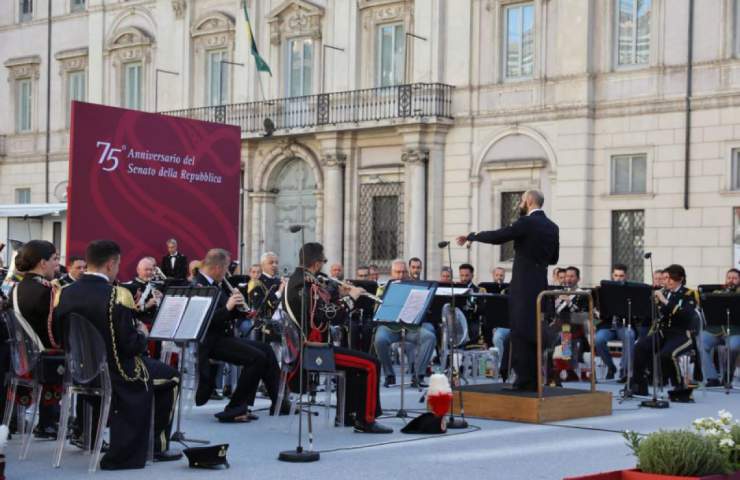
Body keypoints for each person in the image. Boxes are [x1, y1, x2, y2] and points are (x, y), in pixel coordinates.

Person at [54, 240, 181, 469]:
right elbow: (131, 346)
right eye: (118, 264)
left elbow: (57, 334)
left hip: (80, 372)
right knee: (172, 376)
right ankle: (157, 446)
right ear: (111, 264)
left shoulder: (63, 293)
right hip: (118, 374)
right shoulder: (118, 295)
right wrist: (142, 334)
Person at [457, 190, 559, 391]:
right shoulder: (552, 227)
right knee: (533, 331)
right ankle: (533, 379)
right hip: (540, 283)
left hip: (523, 284)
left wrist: (473, 236)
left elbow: (499, 236)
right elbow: (554, 258)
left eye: (521, 200)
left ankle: (523, 380)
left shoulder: (526, 222)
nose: (519, 204)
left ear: (529, 201)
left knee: (520, 331)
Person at [285, 242, 391, 433]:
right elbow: (329, 315)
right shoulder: (304, 284)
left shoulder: (298, 279)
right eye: (323, 262)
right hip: (313, 351)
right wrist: (353, 298)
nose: (323, 268)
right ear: (316, 264)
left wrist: (340, 294)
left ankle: (349, 415)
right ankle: (366, 420)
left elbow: (321, 308)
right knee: (371, 364)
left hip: (312, 347)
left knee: (357, 364)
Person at [193, 249, 284, 421]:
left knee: (265, 349)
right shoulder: (199, 285)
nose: (227, 272)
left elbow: (227, 315)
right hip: (210, 341)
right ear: (218, 267)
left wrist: (241, 310)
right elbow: (205, 321)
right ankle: (235, 408)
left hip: (223, 337)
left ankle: (279, 401)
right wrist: (228, 306)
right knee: (256, 358)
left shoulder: (216, 283)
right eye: (226, 268)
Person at [9, 240, 62, 439]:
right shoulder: (48, 290)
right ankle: (55, 422)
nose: (57, 264)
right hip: (44, 360)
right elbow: (52, 336)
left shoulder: (15, 288)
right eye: (55, 259)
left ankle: (16, 418)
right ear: (42, 263)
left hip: (20, 356)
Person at [630, 264, 697, 400]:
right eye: (665, 278)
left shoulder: (689, 294)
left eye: (669, 278)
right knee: (639, 347)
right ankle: (639, 384)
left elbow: (685, 314)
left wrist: (664, 301)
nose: (666, 281)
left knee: (667, 355)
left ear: (680, 279)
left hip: (682, 334)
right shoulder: (664, 292)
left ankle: (680, 388)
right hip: (663, 332)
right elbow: (655, 314)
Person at [374, 259, 436, 388]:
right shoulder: (383, 288)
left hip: (411, 327)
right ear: (391, 273)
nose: (401, 275)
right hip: (389, 327)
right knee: (380, 340)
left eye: (403, 272)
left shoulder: (416, 288)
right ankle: (389, 375)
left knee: (429, 337)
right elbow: (377, 311)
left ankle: (418, 376)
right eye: (397, 272)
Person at [594, 264, 636, 382]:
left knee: (630, 335)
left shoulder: (632, 290)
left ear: (626, 276)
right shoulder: (604, 290)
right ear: (612, 276)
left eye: (621, 276)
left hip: (624, 324)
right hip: (608, 325)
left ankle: (624, 371)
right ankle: (611, 367)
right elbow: (599, 308)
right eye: (616, 275)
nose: (618, 278)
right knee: (599, 339)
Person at [700, 268, 740, 387]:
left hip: (735, 330)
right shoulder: (717, 293)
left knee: (732, 347)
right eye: (729, 278)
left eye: (734, 278)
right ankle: (712, 378)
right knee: (700, 342)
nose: (731, 280)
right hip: (715, 330)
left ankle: (728, 376)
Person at [121, 257, 163, 328]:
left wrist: (161, 299)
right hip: (140, 327)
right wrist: (146, 305)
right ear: (138, 270)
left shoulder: (157, 285)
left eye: (151, 270)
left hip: (157, 325)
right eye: (146, 269)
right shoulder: (129, 287)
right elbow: (126, 312)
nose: (149, 272)